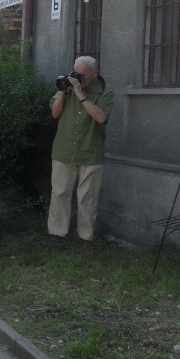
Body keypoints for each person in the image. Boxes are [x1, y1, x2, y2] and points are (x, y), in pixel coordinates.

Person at [48, 55, 115, 242]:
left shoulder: (105, 90)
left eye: (83, 75)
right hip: (64, 149)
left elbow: (101, 117)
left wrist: (80, 94)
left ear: (95, 74)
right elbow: (55, 113)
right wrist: (63, 91)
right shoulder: (67, 86)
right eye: (76, 73)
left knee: (88, 197)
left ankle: (86, 237)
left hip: (90, 151)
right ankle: (57, 234)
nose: (79, 78)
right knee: (60, 193)